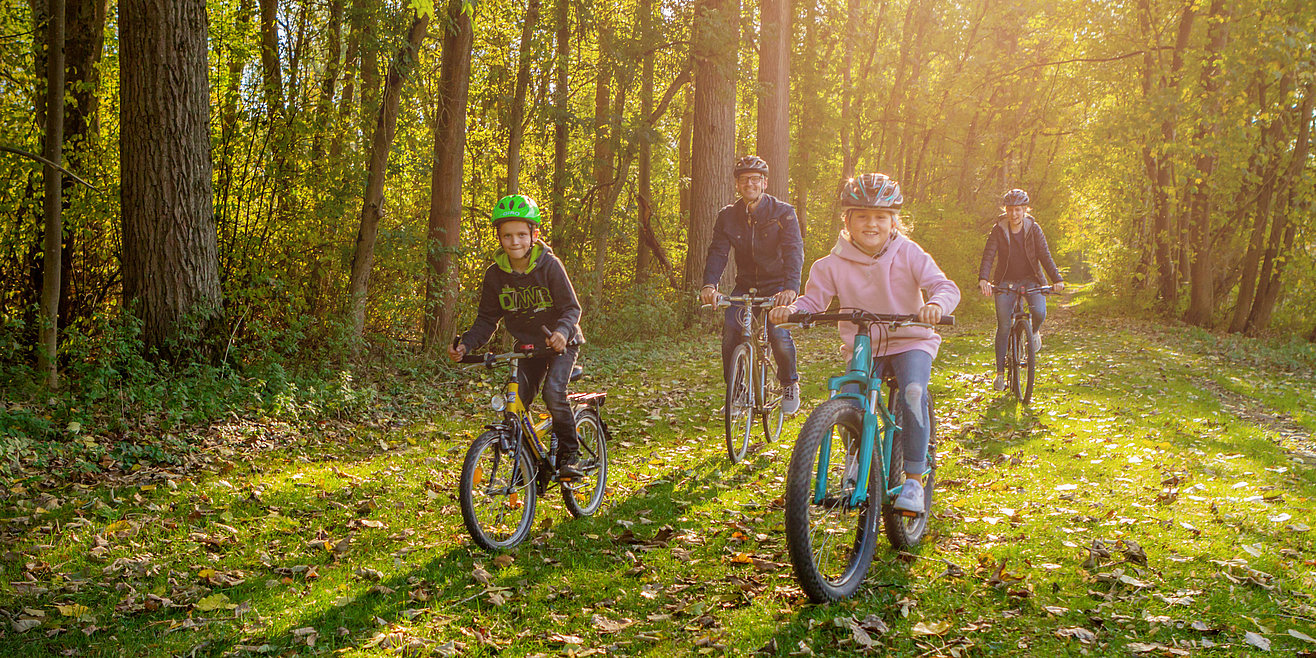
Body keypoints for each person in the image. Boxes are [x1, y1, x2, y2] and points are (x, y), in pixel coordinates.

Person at [769, 173, 960, 513]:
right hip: (864, 344)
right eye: (862, 216)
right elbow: (812, 301)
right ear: (847, 220)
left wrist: (935, 306)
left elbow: (944, 286)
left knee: (913, 392)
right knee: (848, 398)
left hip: (910, 340)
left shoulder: (909, 252)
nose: (871, 224)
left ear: (893, 221)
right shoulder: (830, 264)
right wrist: (792, 310)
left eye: (880, 217)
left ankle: (914, 480)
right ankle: (857, 458)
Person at [447, 194, 586, 480]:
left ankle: (570, 454)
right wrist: (466, 345)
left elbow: (572, 308)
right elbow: (487, 320)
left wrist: (562, 332)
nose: (515, 241)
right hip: (526, 348)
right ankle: (530, 463)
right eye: (507, 235)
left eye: (522, 234)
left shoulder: (550, 266)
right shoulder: (495, 276)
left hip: (562, 344)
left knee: (553, 393)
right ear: (499, 237)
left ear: (534, 235)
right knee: (516, 403)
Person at [700, 155, 805, 415]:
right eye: (744, 179)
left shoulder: (783, 213)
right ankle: (737, 393)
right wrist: (709, 285)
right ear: (737, 184)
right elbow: (718, 252)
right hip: (745, 286)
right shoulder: (727, 216)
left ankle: (789, 383)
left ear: (765, 183)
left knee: (778, 334)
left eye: (755, 179)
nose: (750, 184)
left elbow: (794, 250)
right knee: (731, 335)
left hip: (777, 286)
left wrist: (791, 287)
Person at [976, 188, 1065, 392]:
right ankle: (1000, 374)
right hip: (1005, 281)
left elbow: (1045, 255)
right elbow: (989, 255)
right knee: (1004, 325)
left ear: (1025, 209)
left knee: (1039, 312)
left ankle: (1033, 332)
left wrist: (1056, 279)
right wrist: (983, 279)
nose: (1014, 214)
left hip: (1032, 280)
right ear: (1005, 210)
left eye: (1018, 209)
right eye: (1010, 209)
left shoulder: (1034, 229)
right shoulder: (998, 229)